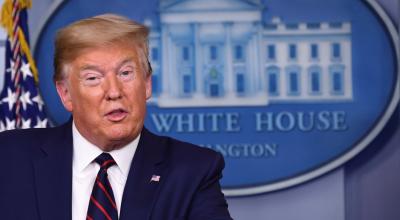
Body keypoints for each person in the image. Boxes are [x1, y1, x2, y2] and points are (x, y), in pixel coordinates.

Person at [0, 14, 232, 220]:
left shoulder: (192, 171)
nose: (114, 91)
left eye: (125, 73)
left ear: (147, 84)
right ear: (65, 94)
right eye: (93, 78)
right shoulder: (9, 158)